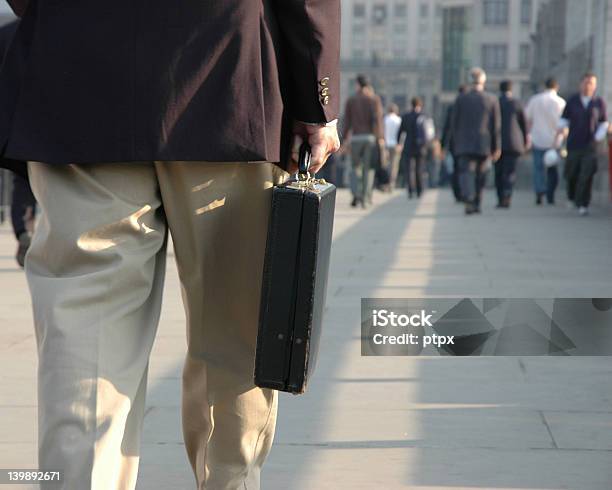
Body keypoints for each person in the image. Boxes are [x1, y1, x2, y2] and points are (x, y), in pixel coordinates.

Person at [0, 2, 341, 489]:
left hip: (79, 74)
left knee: (84, 338)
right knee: (234, 341)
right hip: (228, 76)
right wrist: (315, 98)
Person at [451, 67, 501, 214]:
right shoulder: (492, 99)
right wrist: (497, 147)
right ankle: (477, 201)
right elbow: (496, 126)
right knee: (481, 174)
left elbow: (454, 123)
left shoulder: (461, 99)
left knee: (466, 172)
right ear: (483, 81)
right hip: (484, 143)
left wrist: (454, 143)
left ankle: (468, 197)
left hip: (464, 143)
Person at [558, 72, 609, 216]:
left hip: (590, 146)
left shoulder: (598, 102)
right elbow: (563, 120)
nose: (588, 86)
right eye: (586, 82)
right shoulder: (573, 101)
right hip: (574, 144)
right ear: (581, 84)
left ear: (595, 85)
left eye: (591, 83)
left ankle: (583, 204)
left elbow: (603, 122)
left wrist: (598, 136)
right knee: (572, 173)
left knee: (586, 175)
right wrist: (562, 129)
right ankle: (573, 197)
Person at [341, 75, 384, 208]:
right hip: (370, 138)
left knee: (354, 168)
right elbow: (377, 120)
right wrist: (380, 138)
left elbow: (346, 122)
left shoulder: (351, 100)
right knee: (368, 169)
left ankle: (356, 194)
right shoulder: (374, 99)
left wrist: (343, 140)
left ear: (357, 85)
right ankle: (365, 198)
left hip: (355, 139)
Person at [525, 78, 566, 205]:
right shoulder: (560, 102)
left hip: (538, 138)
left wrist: (528, 135)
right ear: (556, 87)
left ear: (544, 86)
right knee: (552, 169)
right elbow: (564, 123)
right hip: (554, 140)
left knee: (538, 168)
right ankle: (550, 194)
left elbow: (528, 118)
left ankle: (539, 191)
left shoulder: (535, 100)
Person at [495, 80, 528, 208]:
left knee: (498, 172)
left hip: (497, 143)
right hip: (514, 144)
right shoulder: (517, 103)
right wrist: (525, 141)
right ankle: (508, 195)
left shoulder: (495, 102)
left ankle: (500, 198)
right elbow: (523, 125)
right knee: (510, 172)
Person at [398, 97, 428, 199]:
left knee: (409, 169)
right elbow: (427, 133)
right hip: (420, 147)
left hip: (408, 145)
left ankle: (410, 190)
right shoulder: (423, 117)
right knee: (419, 169)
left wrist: (399, 143)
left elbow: (401, 131)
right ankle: (419, 190)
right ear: (420, 105)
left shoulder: (406, 116)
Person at [441, 85, 467, 202]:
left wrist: (443, 144)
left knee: (456, 169)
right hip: (469, 143)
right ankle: (466, 192)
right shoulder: (471, 106)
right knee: (466, 169)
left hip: (454, 143)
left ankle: (457, 193)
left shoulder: (452, 107)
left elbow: (447, 127)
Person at [383, 103, 403, 192]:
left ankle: (385, 183)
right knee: (394, 166)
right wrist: (401, 144)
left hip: (386, 145)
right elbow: (402, 134)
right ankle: (392, 183)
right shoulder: (399, 120)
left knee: (385, 164)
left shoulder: (385, 119)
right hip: (396, 145)